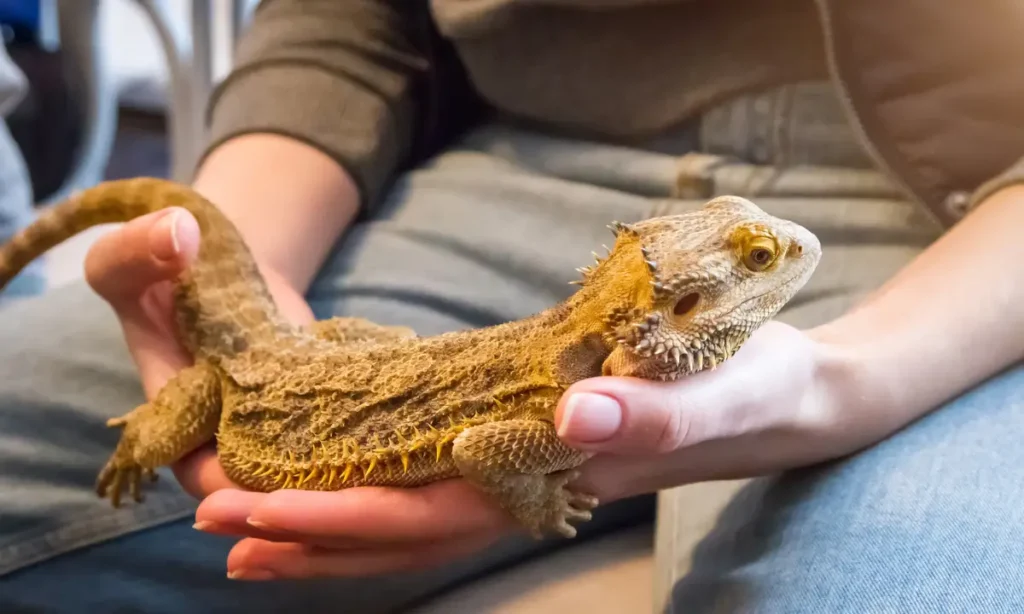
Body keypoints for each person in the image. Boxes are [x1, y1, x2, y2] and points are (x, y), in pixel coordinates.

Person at [2, 1, 1023, 611]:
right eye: (755, 252)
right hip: (480, 162)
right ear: (666, 310)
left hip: (962, 241)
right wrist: (239, 261)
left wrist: (863, 378)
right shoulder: (561, 384)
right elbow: (347, 27)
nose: (779, 254)